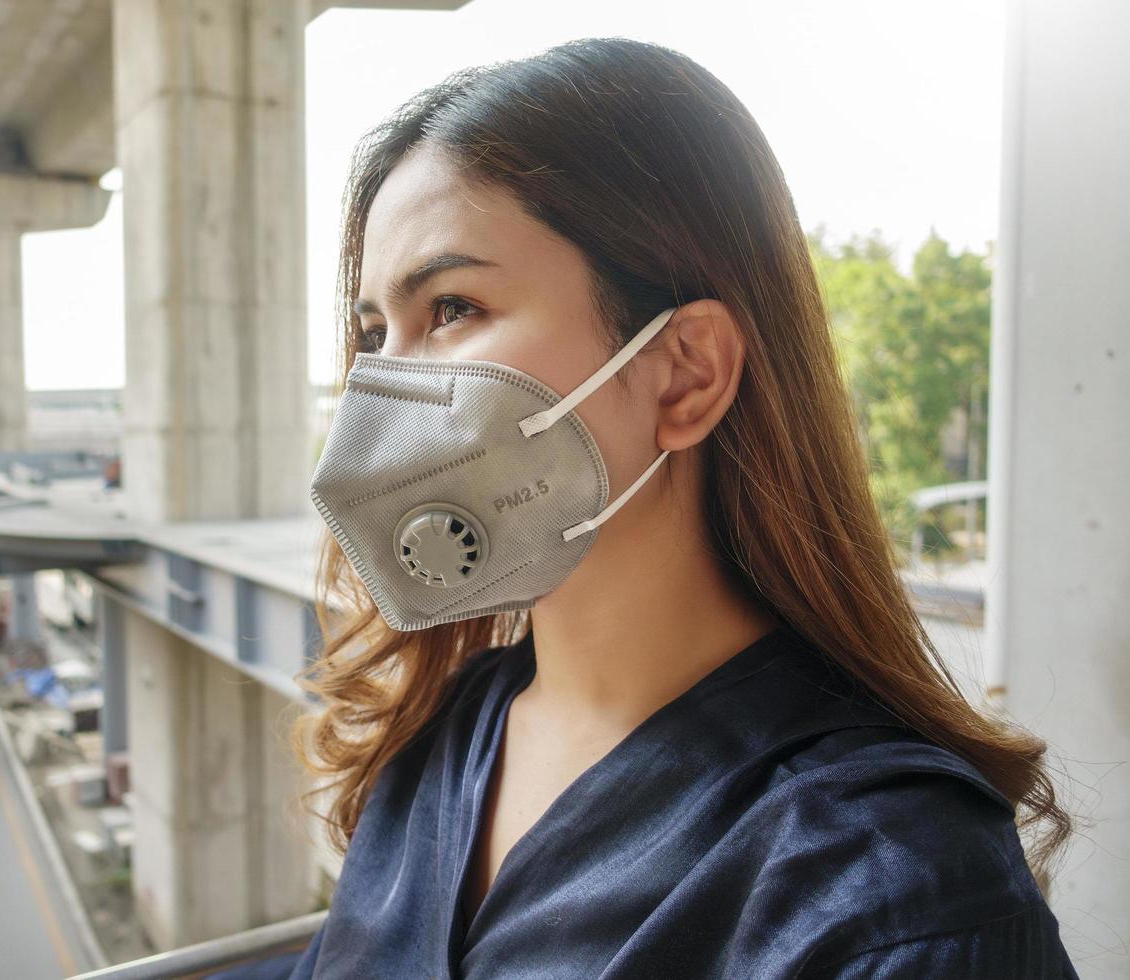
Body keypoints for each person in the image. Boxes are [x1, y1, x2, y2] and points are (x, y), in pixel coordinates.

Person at [217, 38, 1076, 979]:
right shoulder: (447, 732)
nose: (381, 394)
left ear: (685, 375)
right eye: (377, 333)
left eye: (453, 306)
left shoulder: (895, 890)